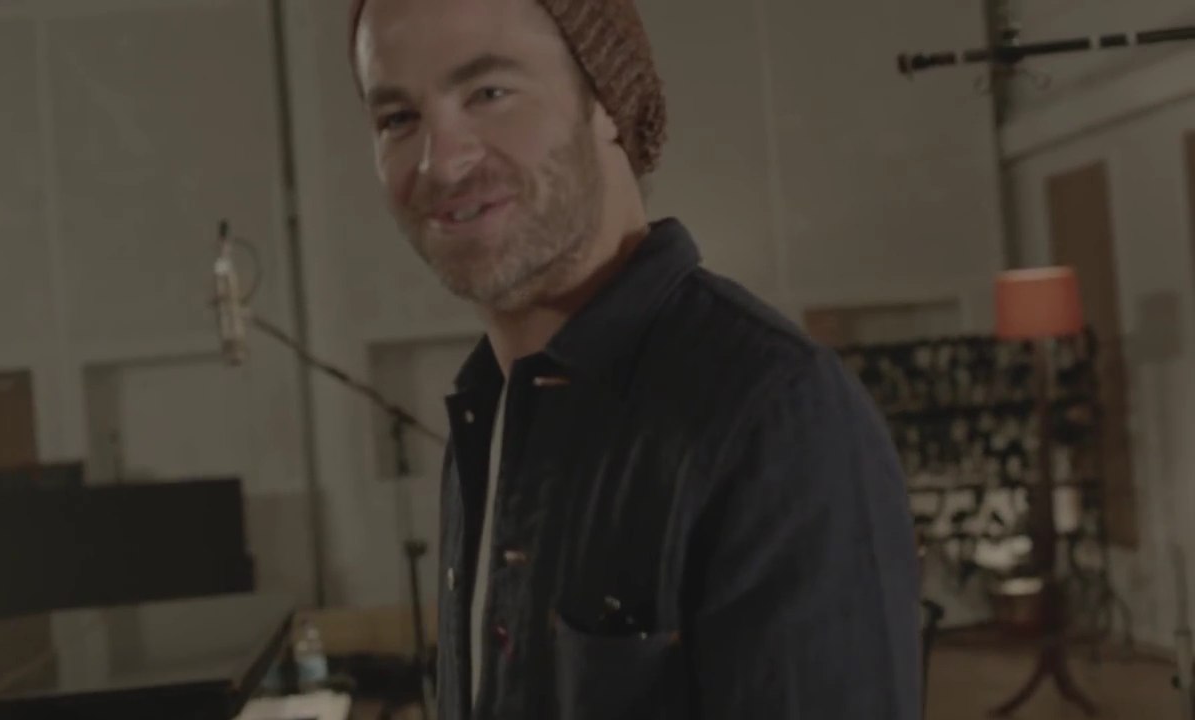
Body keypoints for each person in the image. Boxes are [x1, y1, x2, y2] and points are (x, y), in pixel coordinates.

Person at [347, 0, 924, 717]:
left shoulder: (776, 412)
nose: (441, 161)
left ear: (608, 103)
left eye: (489, 93)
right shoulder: (487, 404)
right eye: (397, 119)